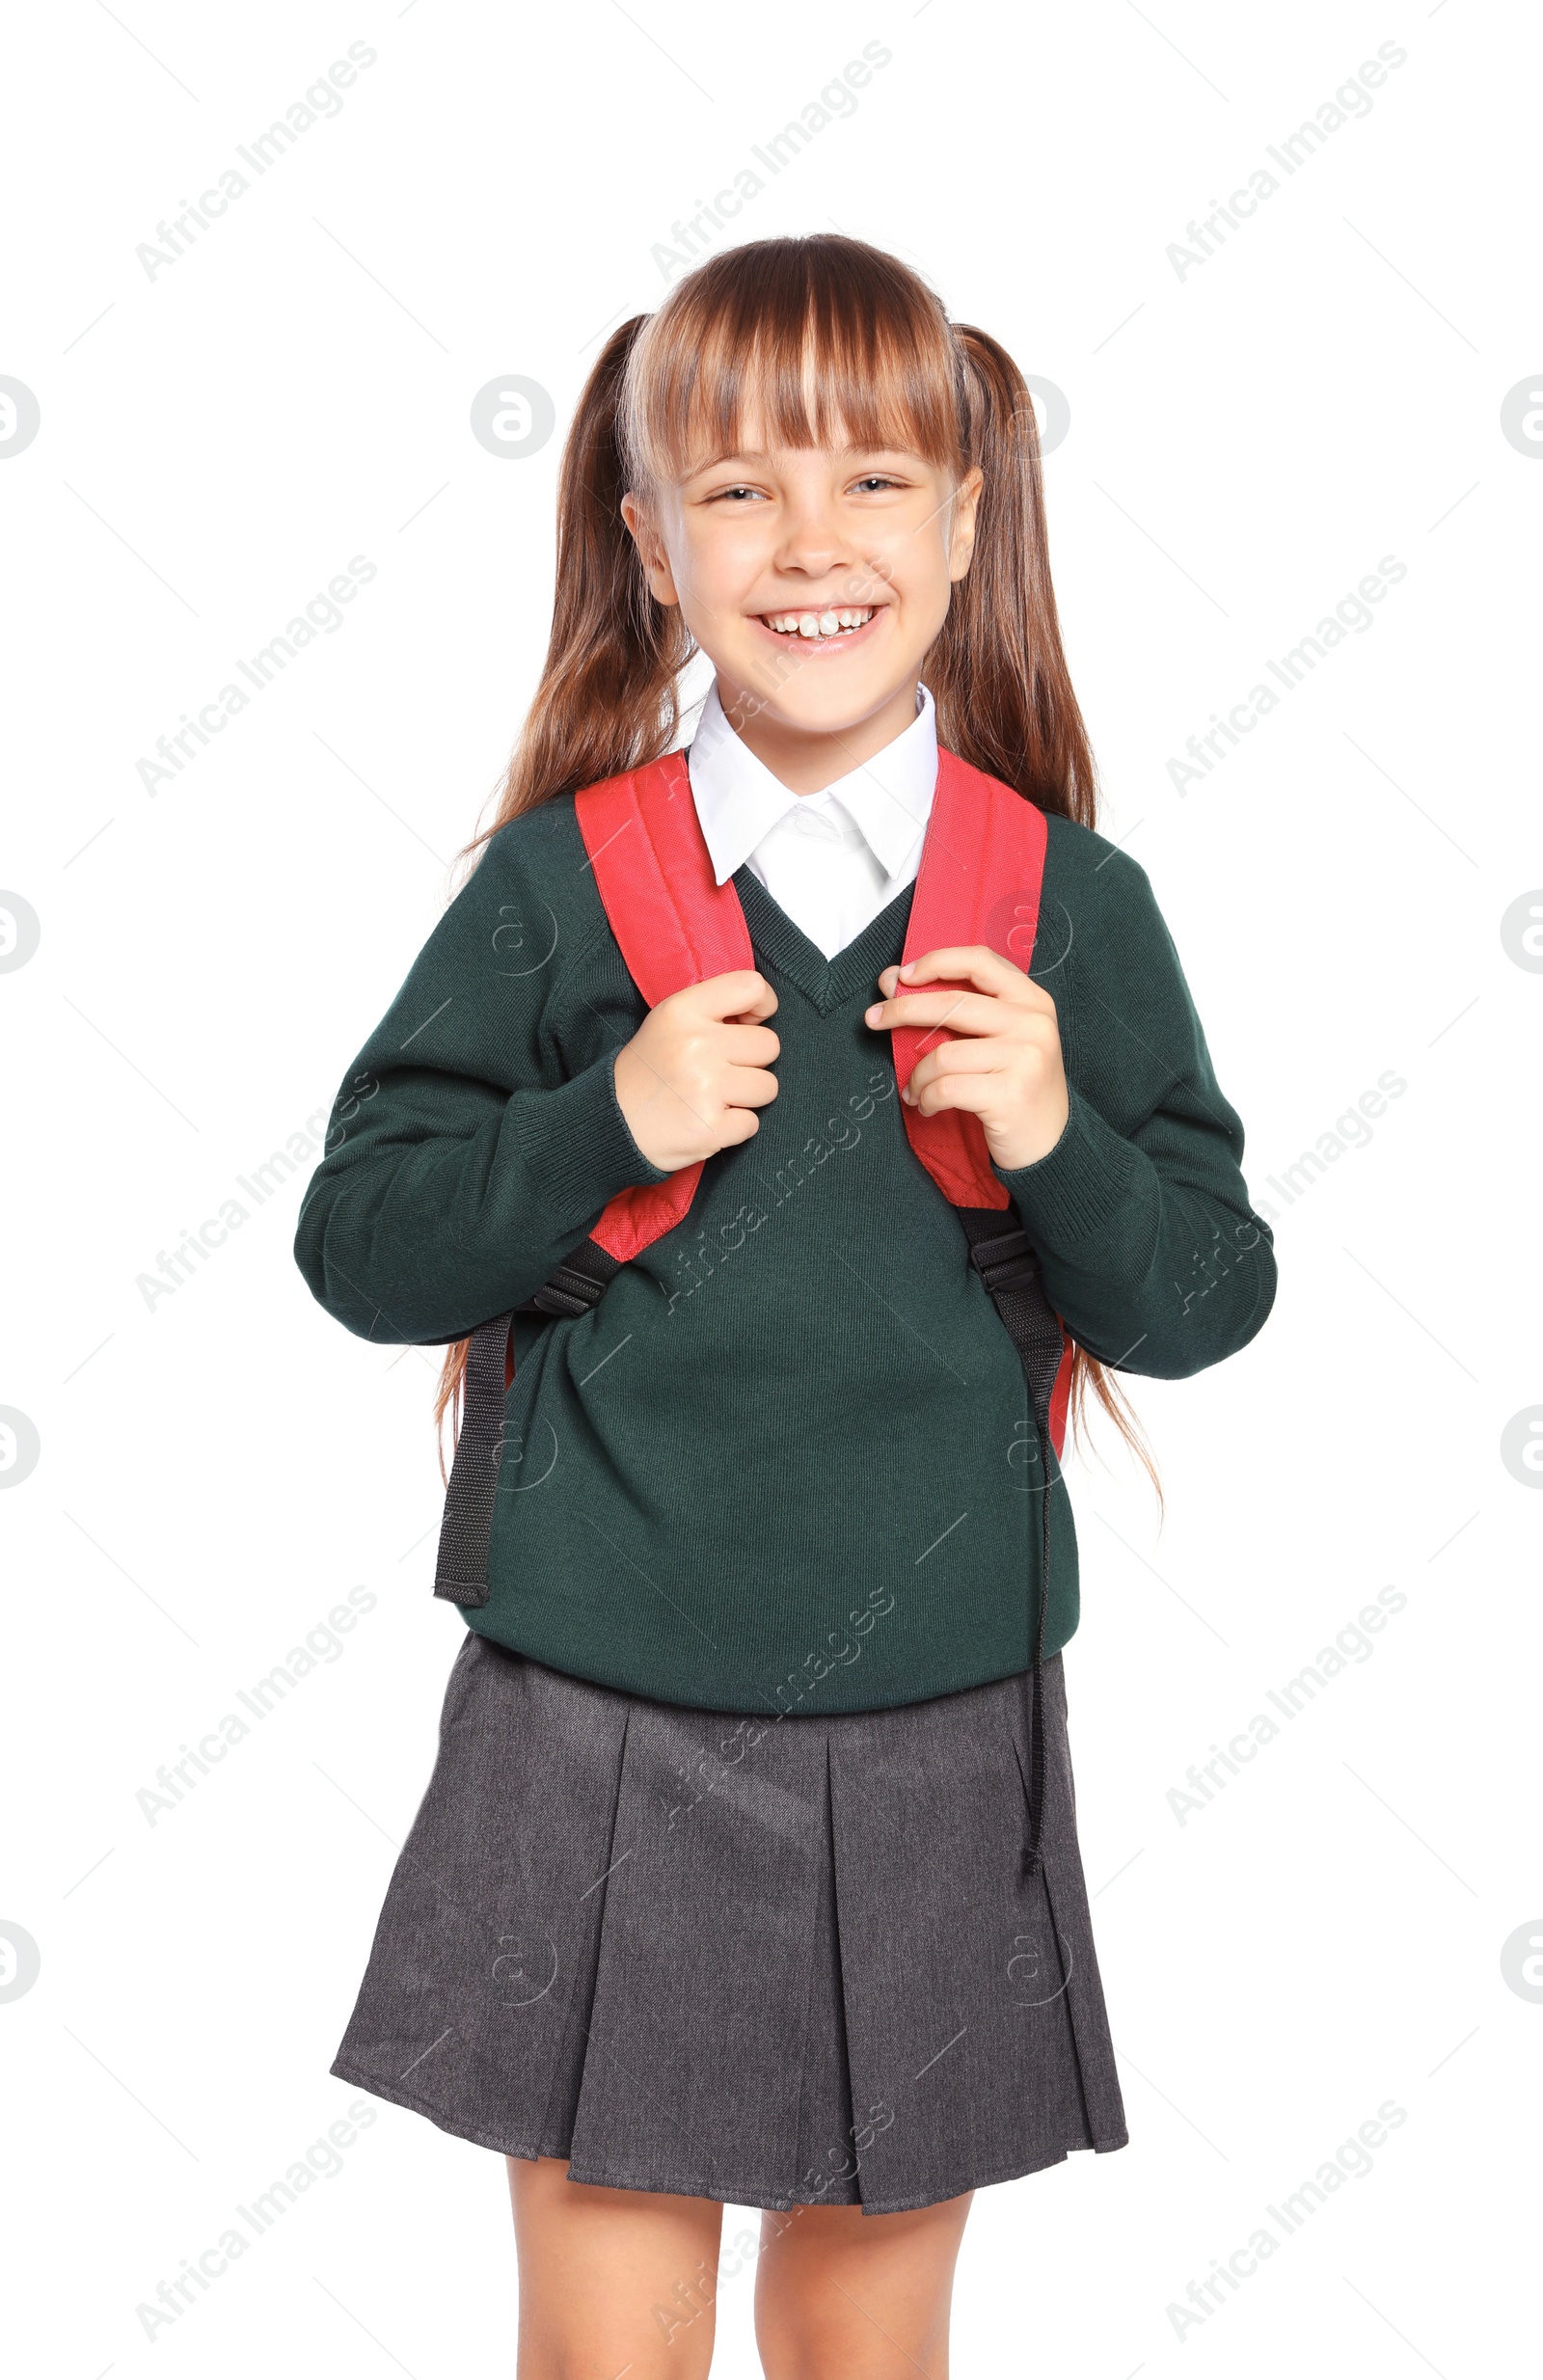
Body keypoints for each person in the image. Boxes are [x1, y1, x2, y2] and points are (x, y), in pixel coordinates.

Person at [294, 232, 1276, 2380]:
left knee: (867, 2328)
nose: (807, 542)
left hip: (937, 1715)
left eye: (870, 482)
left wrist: (1054, 1133)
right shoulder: (562, 887)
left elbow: (1204, 1294)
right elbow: (362, 1247)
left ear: (962, 521)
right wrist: (599, 1124)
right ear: (647, 541)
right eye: (737, 488)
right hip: (595, 1706)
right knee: (608, 2333)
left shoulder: (1065, 908)